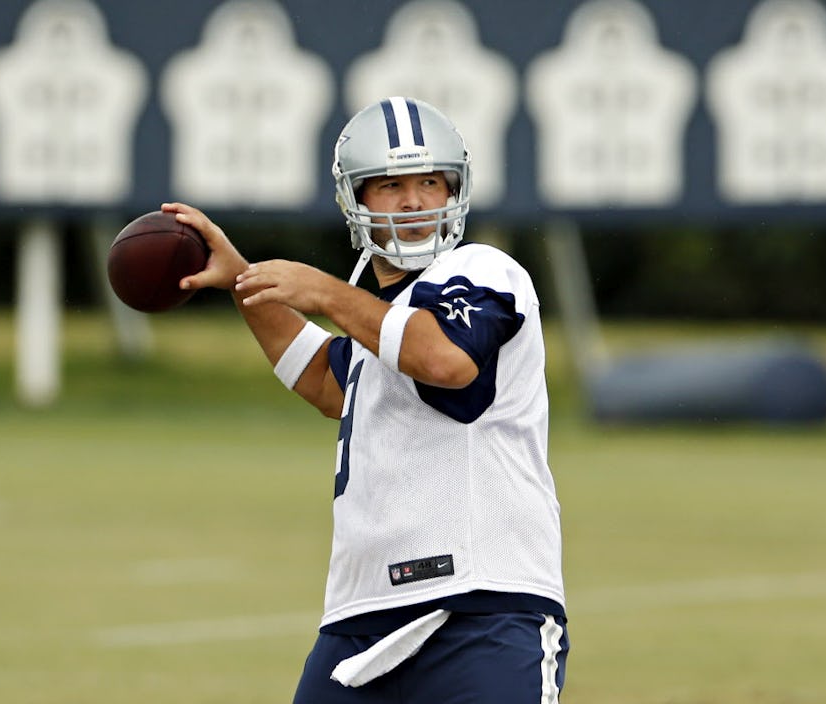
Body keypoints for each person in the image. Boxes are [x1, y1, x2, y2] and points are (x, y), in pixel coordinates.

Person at [162, 96, 569, 702]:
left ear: (455, 188)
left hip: (484, 606)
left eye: (430, 182)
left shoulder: (485, 269)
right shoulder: (374, 315)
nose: (413, 201)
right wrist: (244, 281)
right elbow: (328, 382)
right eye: (390, 185)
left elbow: (443, 359)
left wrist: (324, 292)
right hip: (363, 615)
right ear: (355, 199)